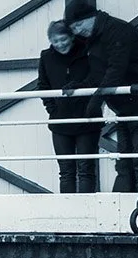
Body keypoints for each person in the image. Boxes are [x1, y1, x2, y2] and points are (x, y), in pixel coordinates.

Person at [66, 0, 138, 192]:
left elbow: (115, 70)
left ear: (90, 18)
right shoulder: (94, 40)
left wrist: (97, 100)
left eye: (78, 25)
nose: (77, 32)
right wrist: (80, 86)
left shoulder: (117, 30)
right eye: (73, 29)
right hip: (124, 105)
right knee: (124, 158)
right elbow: (98, 74)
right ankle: (123, 205)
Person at [27, 18, 99, 192]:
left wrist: (91, 106)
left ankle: (87, 211)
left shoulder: (87, 52)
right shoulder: (46, 57)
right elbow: (43, 85)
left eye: (63, 39)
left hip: (87, 119)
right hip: (60, 121)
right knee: (66, 171)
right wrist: (52, 109)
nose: (60, 44)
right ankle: (69, 212)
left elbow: (96, 78)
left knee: (86, 170)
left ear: (71, 37)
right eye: (55, 41)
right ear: (50, 41)